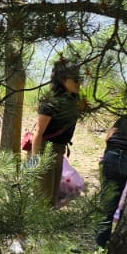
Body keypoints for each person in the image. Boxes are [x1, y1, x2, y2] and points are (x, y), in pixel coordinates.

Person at [30, 59, 82, 205]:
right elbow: (38, 132)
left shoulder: (73, 101)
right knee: (43, 199)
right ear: (63, 80)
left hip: (59, 150)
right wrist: (35, 161)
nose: (79, 83)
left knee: (52, 198)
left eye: (80, 78)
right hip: (44, 150)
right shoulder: (50, 103)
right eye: (75, 79)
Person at [95, 106, 127, 248]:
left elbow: (109, 137)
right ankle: (122, 243)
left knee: (107, 202)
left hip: (112, 155)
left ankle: (101, 243)